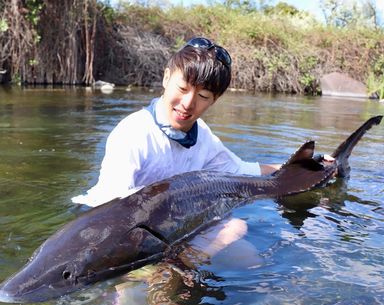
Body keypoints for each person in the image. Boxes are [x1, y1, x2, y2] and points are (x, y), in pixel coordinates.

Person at [72, 37, 280, 208]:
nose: (188, 104)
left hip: (166, 223)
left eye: (204, 96)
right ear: (166, 78)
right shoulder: (132, 133)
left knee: (239, 238)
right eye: (182, 89)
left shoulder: (203, 137)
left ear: (214, 100)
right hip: (104, 221)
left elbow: (239, 170)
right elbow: (112, 202)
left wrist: (293, 167)